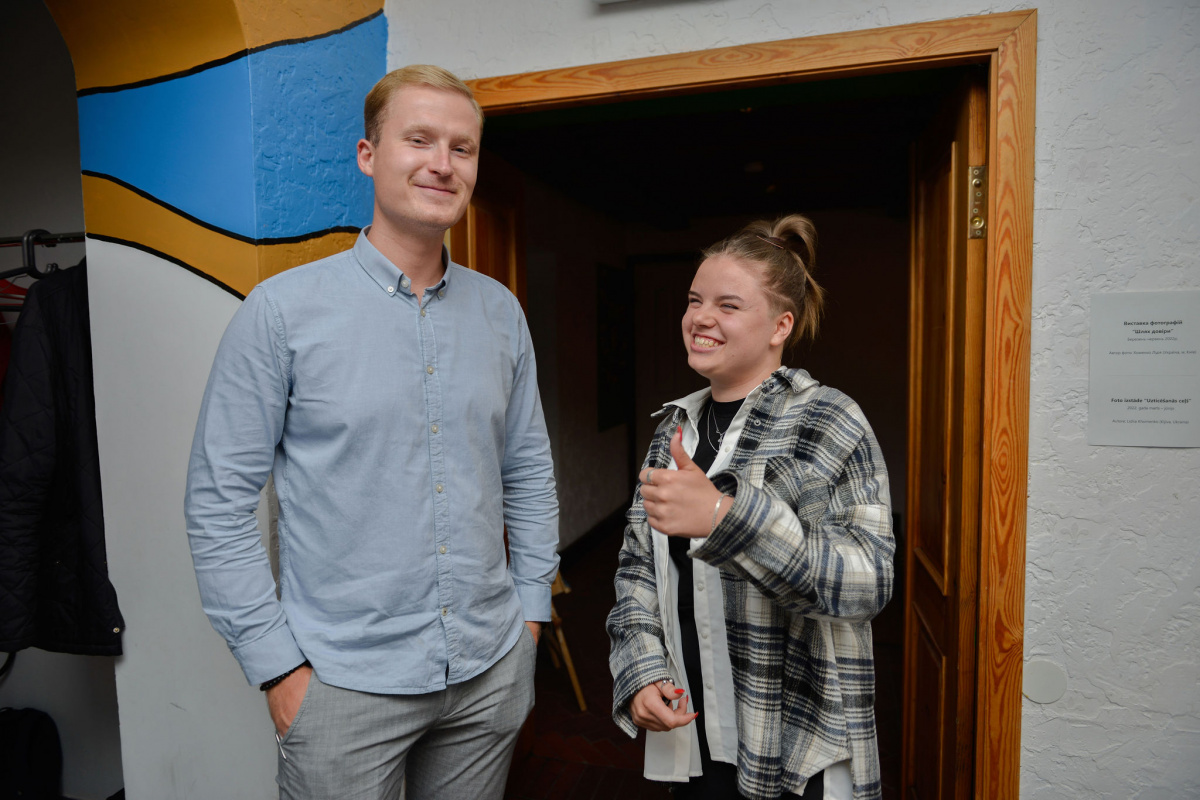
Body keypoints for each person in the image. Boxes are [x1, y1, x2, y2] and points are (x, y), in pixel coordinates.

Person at [184, 65, 559, 799]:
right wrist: (279, 670)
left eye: (461, 148)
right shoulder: (280, 313)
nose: (442, 163)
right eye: (419, 139)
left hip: (489, 670)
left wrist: (531, 619)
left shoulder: (500, 313)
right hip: (342, 687)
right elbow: (217, 505)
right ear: (368, 155)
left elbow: (528, 473)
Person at [607, 215, 894, 800]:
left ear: (780, 326)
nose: (700, 317)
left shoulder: (829, 421)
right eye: (694, 301)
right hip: (690, 729)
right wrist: (640, 669)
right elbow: (637, 568)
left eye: (728, 305)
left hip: (795, 746)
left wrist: (725, 518)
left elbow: (870, 582)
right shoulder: (672, 432)